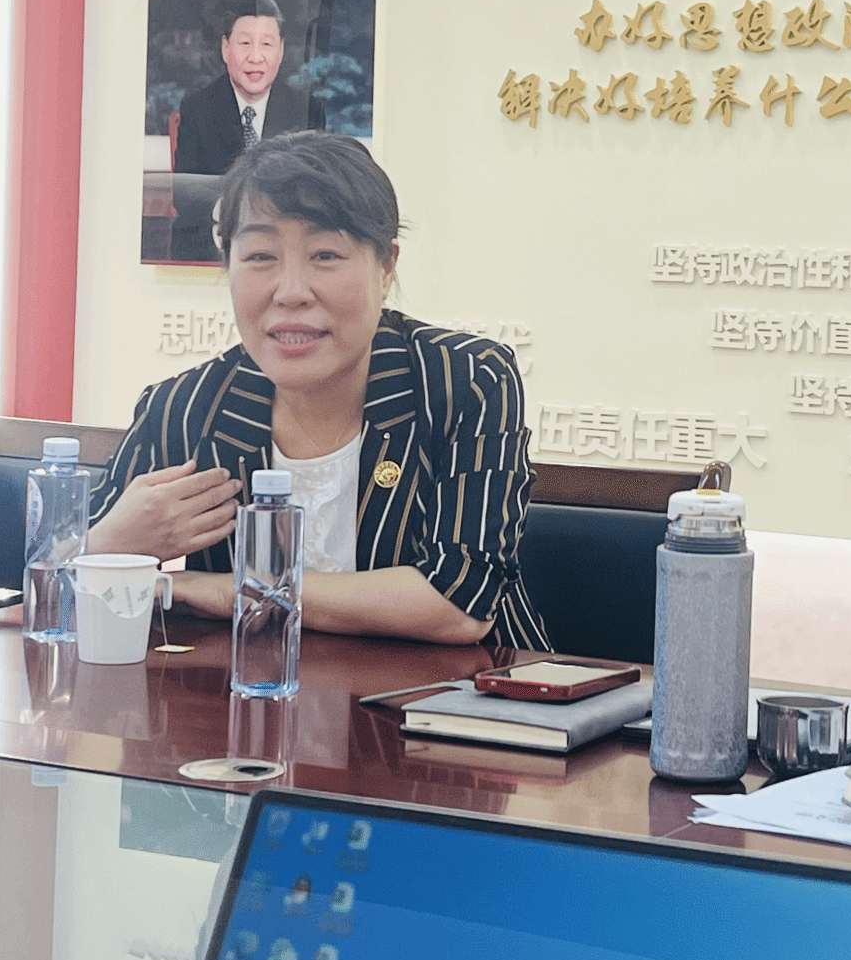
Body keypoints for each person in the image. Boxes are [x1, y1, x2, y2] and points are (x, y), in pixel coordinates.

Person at [90, 131, 550, 648]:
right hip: (243, 695)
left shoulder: (463, 380)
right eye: (260, 256)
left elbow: (460, 603)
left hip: (458, 693)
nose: (291, 292)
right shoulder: (183, 408)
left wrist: (232, 589)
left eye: (326, 254)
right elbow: (50, 599)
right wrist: (108, 543)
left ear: (386, 266)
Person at [173, 0, 318, 176]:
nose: (255, 57)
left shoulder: (305, 111)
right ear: (226, 49)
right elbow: (188, 190)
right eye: (245, 43)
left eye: (266, 44)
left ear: (281, 51)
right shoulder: (198, 109)